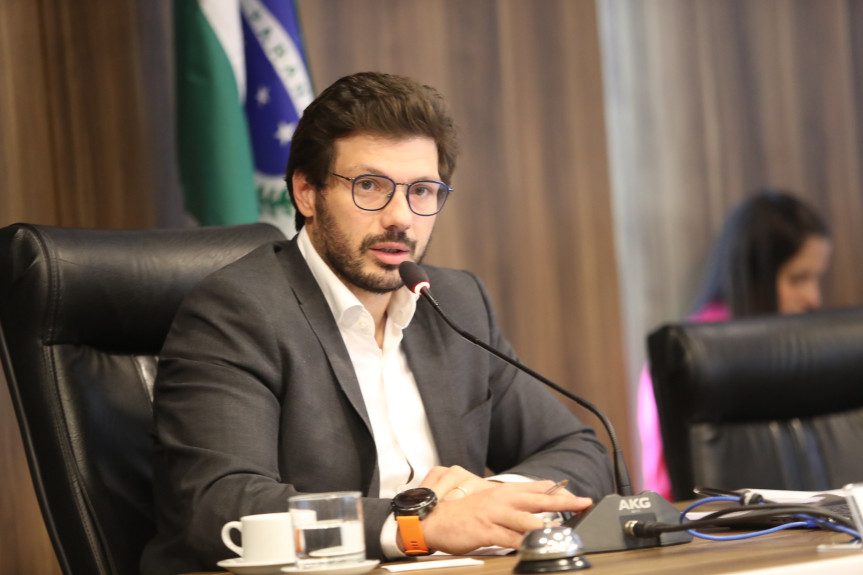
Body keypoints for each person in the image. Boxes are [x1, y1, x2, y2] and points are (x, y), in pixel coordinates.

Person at [141, 72, 615, 575]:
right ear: (306, 192)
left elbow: (579, 452)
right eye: (369, 186)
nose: (401, 218)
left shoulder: (455, 303)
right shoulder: (236, 311)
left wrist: (488, 499)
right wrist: (418, 525)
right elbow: (224, 505)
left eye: (422, 191)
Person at [638, 189, 832, 500]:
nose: (814, 298)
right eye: (798, 279)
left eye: (816, 278)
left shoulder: (800, 350)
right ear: (755, 276)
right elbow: (667, 486)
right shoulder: (691, 357)